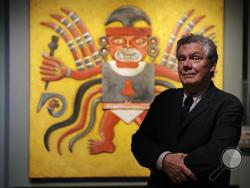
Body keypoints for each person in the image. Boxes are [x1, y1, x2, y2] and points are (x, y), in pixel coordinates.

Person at [131, 34, 243, 188]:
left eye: (195, 58)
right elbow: (139, 142)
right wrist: (164, 160)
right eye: (181, 59)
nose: (186, 65)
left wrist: (174, 164)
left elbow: (219, 152)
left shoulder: (228, 104)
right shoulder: (163, 100)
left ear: (212, 65)